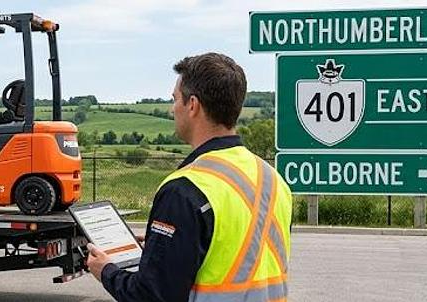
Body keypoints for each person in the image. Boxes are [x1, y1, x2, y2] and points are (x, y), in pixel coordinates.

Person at [85, 53, 293, 302]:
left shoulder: (184, 190)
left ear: (192, 105)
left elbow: (151, 296)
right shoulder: (272, 179)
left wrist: (107, 271)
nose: (173, 108)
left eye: (175, 99)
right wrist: (162, 247)